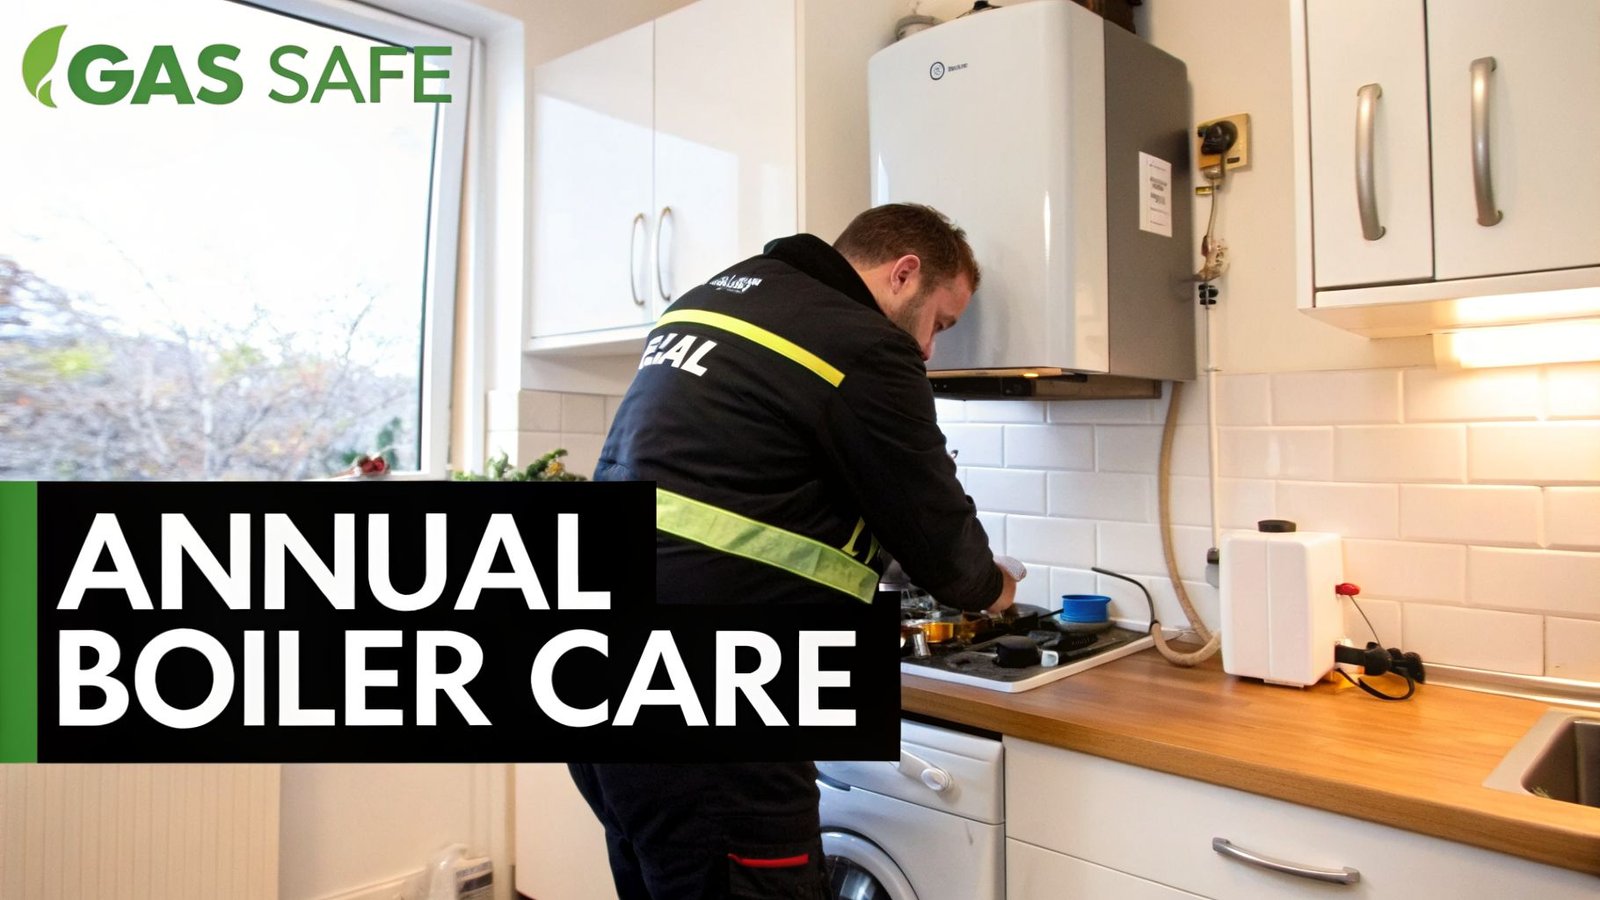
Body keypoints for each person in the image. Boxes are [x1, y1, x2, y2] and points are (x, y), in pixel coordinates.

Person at [570, 203, 1020, 899]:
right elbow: (943, 545)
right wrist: (993, 587)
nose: (930, 349)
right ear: (905, 274)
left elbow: (746, 495)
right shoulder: (865, 344)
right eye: (941, 322)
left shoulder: (714, 299)